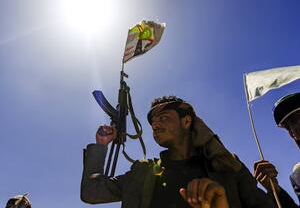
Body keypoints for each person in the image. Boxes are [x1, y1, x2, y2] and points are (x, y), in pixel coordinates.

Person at [81, 95, 275, 208]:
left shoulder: (225, 166)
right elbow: (91, 192)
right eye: (153, 121)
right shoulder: (142, 172)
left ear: (187, 121)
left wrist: (273, 187)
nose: (155, 124)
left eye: (163, 117)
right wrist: (102, 145)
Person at [254, 92, 300, 207]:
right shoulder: (298, 174)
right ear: (292, 133)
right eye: (293, 121)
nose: (299, 123)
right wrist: (276, 191)